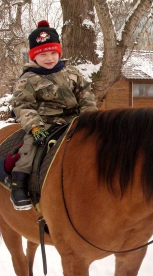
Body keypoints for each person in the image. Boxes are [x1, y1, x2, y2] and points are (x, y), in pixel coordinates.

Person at [10, 20, 98, 211]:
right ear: (34, 56)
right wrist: (34, 126)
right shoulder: (28, 79)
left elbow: (86, 98)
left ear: (59, 52)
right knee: (30, 147)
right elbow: (22, 105)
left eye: (52, 53)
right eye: (43, 54)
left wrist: (90, 119)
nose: (49, 58)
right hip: (45, 122)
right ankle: (19, 183)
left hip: (75, 121)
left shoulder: (73, 73)